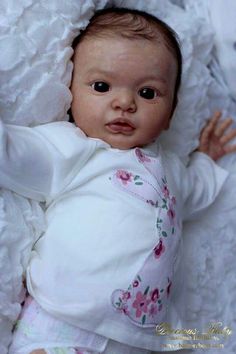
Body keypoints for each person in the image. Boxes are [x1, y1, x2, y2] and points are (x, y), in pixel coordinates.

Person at [2, 7, 236, 354]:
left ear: (171, 113)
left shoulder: (171, 167)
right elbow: (13, 154)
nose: (124, 102)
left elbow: (195, 192)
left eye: (147, 93)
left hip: (143, 340)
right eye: (101, 86)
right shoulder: (72, 148)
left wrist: (205, 156)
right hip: (63, 324)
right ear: (71, 93)